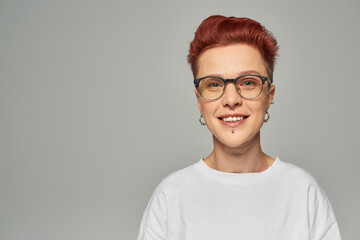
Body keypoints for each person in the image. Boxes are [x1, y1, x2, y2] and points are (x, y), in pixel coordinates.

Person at [137, 15, 342, 240]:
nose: (231, 99)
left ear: (268, 96)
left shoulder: (304, 193)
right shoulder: (170, 197)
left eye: (248, 82)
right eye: (214, 84)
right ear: (199, 101)